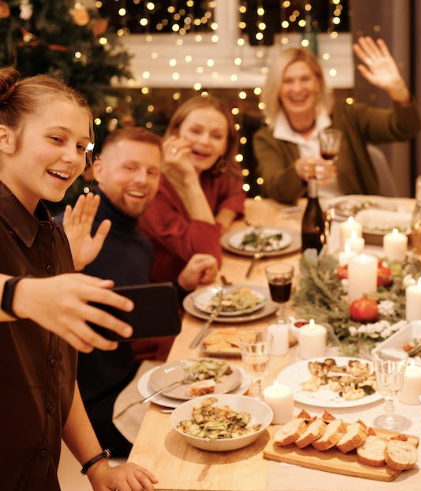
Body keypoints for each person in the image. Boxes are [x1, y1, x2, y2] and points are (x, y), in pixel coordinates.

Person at [0, 68, 156, 490]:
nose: (74, 157)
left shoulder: (51, 234)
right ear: (5, 138)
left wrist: (96, 465)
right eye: (57, 139)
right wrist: (21, 294)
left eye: (82, 145)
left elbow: (56, 374)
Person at [59, 127, 218, 458]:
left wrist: (181, 285)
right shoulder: (68, 233)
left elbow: (128, 308)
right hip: (87, 409)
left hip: (131, 378)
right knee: (204, 439)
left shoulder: (139, 241)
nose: (142, 180)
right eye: (129, 168)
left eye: (151, 171)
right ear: (98, 170)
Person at [255, 37, 421, 204]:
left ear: (318, 83)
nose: (297, 89)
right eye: (288, 81)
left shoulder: (347, 115)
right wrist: (298, 172)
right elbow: (275, 190)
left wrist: (398, 90)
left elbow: (405, 128)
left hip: (355, 218)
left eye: (305, 79)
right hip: (302, 220)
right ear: (277, 88)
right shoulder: (267, 138)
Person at [138, 95, 245, 283]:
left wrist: (222, 221)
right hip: (169, 293)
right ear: (175, 133)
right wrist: (190, 180)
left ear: (225, 147)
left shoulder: (211, 170)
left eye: (216, 136)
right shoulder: (150, 185)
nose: (204, 141)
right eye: (196, 131)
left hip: (200, 286)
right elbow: (208, 256)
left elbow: (236, 191)